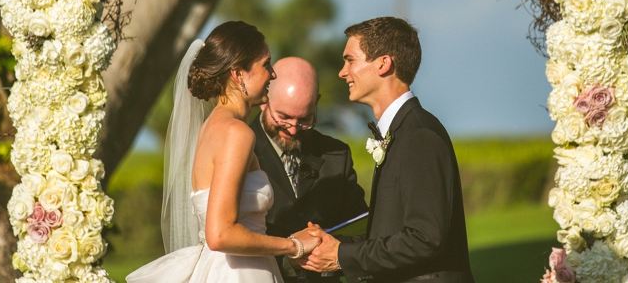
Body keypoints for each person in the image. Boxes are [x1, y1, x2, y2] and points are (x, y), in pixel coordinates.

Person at [127, 21, 320, 283]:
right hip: (238, 272)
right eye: (266, 65)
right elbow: (220, 234)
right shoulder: (236, 133)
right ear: (238, 74)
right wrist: (293, 245)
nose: (273, 74)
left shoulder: (212, 127)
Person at [297, 16, 474, 283]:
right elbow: (391, 234)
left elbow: (425, 238)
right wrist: (334, 245)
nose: (342, 72)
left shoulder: (420, 135)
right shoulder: (402, 133)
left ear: (383, 63)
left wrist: (342, 255)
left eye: (350, 60)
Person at [252, 57, 368, 282]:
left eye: (305, 119)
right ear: (264, 100)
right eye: (283, 117)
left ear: (317, 102)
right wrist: (288, 255)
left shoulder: (337, 154)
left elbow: (361, 228)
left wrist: (333, 250)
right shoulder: (241, 150)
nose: (294, 129)